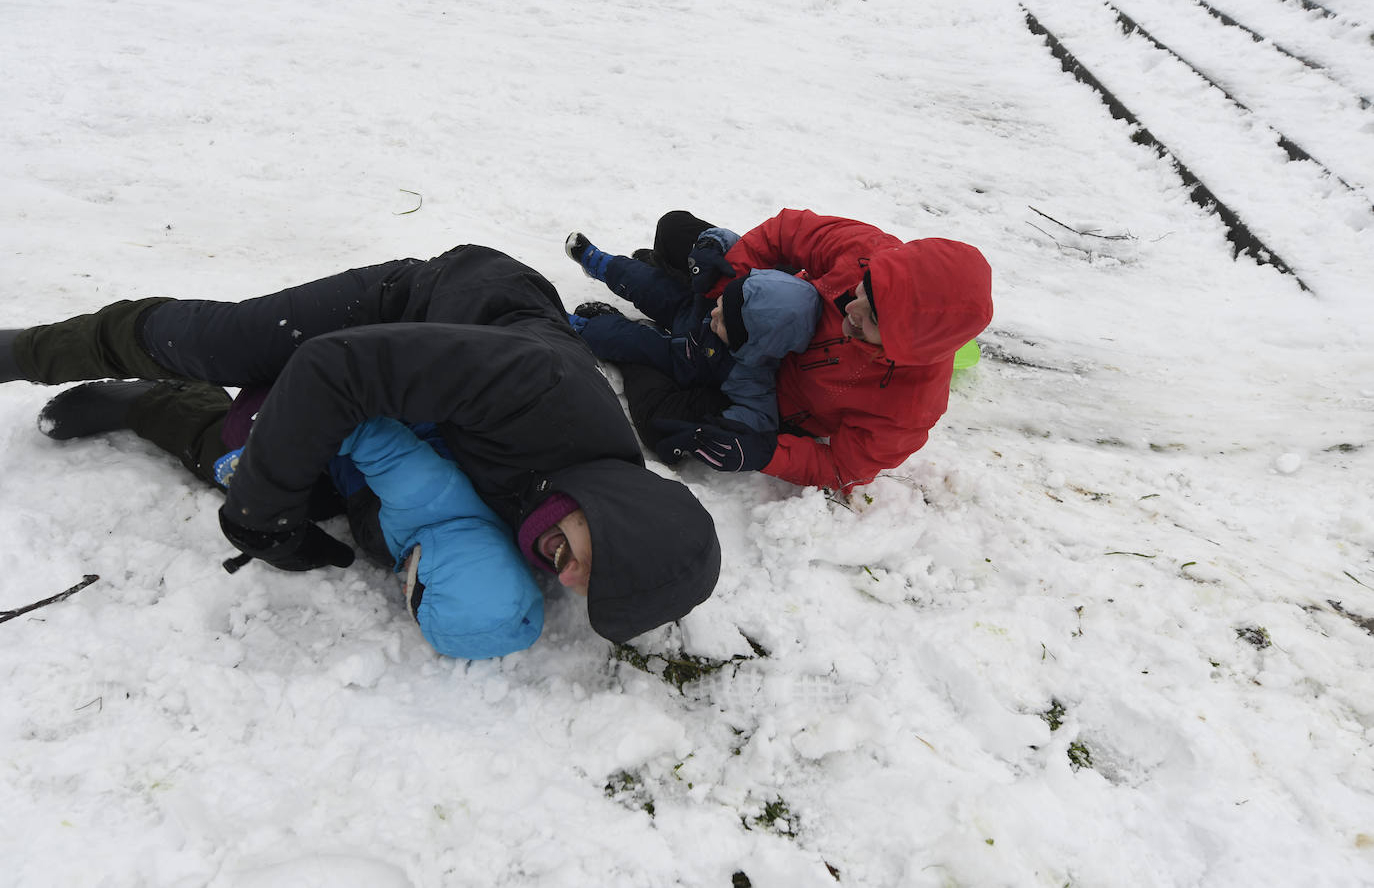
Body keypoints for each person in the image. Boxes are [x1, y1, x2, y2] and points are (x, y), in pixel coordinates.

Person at [0, 242, 721, 645]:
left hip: (426, 405)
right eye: (587, 565)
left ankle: (149, 409)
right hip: (417, 307)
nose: (566, 581)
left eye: (585, 588)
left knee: (278, 469)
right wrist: (258, 519)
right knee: (216, 348)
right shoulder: (543, 390)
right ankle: (30, 352)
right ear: (611, 510)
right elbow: (334, 368)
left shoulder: (563, 511)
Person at [39, 377, 542, 658]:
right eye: (412, 592)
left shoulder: (453, 543)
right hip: (351, 417)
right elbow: (368, 432)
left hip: (355, 480)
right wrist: (276, 452)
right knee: (236, 471)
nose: (401, 589)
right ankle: (153, 403)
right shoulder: (429, 491)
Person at [568, 209, 994, 495]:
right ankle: (678, 278)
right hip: (759, 308)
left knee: (669, 429)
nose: (853, 309)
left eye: (874, 321)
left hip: (759, 389)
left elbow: (846, 467)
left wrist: (765, 452)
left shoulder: (912, 405)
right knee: (676, 228)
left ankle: (636, 339)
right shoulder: (870, 250)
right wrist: (726, 275)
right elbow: (786, 231)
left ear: (908, 347)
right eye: (865, 292)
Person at [564, 229, 823, 468]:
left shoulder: (750, 374)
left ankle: (573, 325)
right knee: (647, 282)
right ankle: (600, 263)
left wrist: (724, 428)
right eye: (723, 302)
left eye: (724, 322)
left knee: (624, 340)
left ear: (751, 345)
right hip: (688, 309)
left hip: (679, 357)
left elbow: (760, 416)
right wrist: (712, 243)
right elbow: (734, 243)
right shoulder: (730, 297)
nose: (717, 314)